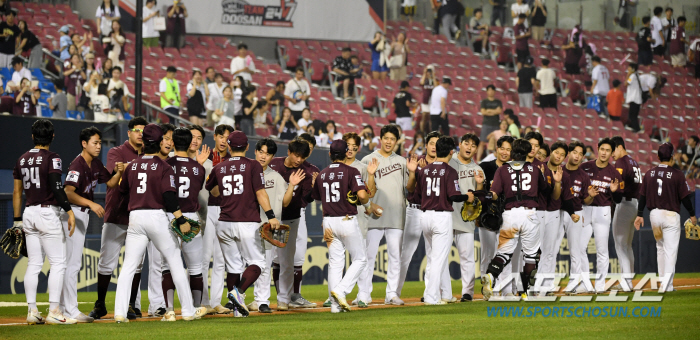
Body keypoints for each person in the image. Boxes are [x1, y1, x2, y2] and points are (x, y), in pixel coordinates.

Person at [113, 124, 201, 323]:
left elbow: (122, 191)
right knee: (175, 262)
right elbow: (169, 197)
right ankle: (187, 311)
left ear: (143, 141)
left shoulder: (132, 165)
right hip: (156, 216)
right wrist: (180, 219)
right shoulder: (164, 167)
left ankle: (119, 313)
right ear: (161, 141)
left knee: (128, 266)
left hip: (136, 216)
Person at [87, 117, 152, 320]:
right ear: (129, 132)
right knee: (106, 262)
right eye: (136, 130)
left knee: (137, 264)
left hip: (137, 215)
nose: (140, 134)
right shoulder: (117, 152)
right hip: (116, 213)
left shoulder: (149, 154)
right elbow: (114, 180)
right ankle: (100, 304)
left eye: (144, 131)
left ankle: (131, 304)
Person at [13, 119, 77, 325]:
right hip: (47, 212)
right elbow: (57, 187)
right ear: (52, 136)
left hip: (28, 212)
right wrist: (69, 211)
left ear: (33, 136)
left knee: (33, 263)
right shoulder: (52, 157)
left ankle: (32, 311)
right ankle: (54, 311)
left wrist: (16, 221)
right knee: (58, 263)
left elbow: (17, 191)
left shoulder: (22, 159)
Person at [59, 127, 123, 323]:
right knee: (72, 263)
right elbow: (68, 192)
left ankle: (62, 307)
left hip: (81, 214)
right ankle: (71, 309)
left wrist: (119, 172)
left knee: (70, 263)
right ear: (84, 143)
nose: (98, 146)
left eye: (99, 142)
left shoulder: (95, 163)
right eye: (94, 142)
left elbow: (111, 183)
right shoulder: (77, 164)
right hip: (71, 214)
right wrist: (91, 203)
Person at [405, 136, 472, 305]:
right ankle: (431, 296)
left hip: (425, 215)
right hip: (441, 217)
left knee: (435, 257)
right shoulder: (450, 171)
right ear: (451, 152)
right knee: (438, 259)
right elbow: (454, 196)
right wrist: (468, 196)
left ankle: (446, 294)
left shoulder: (425, 170)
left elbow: (416, 194)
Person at [481, 138, 549, 301]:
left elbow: (495, 193)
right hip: (529, 214)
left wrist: (486, 196)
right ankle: (526, 292)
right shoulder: (534, 169)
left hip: (509, 214)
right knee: (531, 255)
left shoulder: (502, 170)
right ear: (527, 154)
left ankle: (491, 275)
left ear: (512, 153)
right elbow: (545, 189)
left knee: (504, 253)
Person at [311, 140, 370, 313]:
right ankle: (341, 290)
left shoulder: (322, 174)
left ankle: (335, 305)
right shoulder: (352, 171)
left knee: (336, 263)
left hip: (328, 221)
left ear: (330, 154)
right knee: (360, 259)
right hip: (346, 219)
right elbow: (362, 195)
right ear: (346, 153)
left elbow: (317, 198)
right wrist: (366, 200)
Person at [247, 138, 300, 313]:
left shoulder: (276, 177)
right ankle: (249, 298)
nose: (263, 156)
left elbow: (285, 203)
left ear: (272, 157)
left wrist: (291, 185)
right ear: (255, 152)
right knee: (245, 265)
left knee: (265, 263)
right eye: (261, 152)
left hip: (269, 227)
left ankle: (262, 301)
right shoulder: (246, 172)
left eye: (268, 153)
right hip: (247, 224)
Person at [635, 143, 696, 293]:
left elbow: (642, 196)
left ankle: (663, 282)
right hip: (670, 216)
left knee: (660, 248)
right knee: (670, 251)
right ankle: (667, 286)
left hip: (654, 215)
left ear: (657, 156)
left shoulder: (649, 173)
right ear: (673, 156)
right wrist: (692, 214)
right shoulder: (677, 174)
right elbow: (685, 197)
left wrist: (639, 214)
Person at [159, 128, 207, 321]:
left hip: (168, 216)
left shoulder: (164, 165)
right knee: (195, 267)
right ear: (189, 144)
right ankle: (196, 307)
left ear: (172, 143)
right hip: (191, 216)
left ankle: (169, 309)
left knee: (167, 265)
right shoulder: (199, 168)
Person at [356, 125, 407, 306]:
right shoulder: (368, 159)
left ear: (396, 141)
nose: (388, 142)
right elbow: (361, 190)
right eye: (386, 138)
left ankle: (392, 293)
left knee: (395, 256)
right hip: (372, 214)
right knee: (367, 256)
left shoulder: (402, 161)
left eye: (392, 139)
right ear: (380, 138)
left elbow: (409, 188)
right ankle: (364, 294)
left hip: (396, 215)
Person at [268, 140, 316, 310]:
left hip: (289, 220)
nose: (298, 159)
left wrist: (313, 189)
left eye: (302, 157)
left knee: (287, 260)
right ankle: (262, 299)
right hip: (271, 218)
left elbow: (305, 200)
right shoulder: (273, 164)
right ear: (289, 151)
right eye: (296, 155)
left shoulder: (307, 173)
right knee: (268, 259)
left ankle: (284, 299)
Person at [396, 131, 440, 301]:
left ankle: (429, 293)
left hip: (432, 211)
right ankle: (394, 292)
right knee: (405, 254)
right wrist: (413, 172)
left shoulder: (443, 164)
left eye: (437, 143)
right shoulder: (417, 161)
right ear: (426, 145)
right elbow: (411, 188)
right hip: (414, 209)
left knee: (432, 254)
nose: (434, 146)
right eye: (431, 143)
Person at [199, 124, 233, 315]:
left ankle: (216, 301)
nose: (224, 140)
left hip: (225, 210)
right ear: (215, 137)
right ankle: (204, 301)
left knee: (220, 260)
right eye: (221, 136)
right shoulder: (205, 157)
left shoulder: (232, 159)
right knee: (204, 258)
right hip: (206, 209)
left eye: (227, 137)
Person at [580, 138, 622, 293]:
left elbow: (618, 200)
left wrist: (614, 191)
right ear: (598, 148)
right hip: (585, 208)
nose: (604, 153)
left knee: (602, 250)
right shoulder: (585, 167)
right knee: (579, 248)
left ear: (612, 153)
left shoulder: (614, 172)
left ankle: (599, 285)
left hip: (603, 210)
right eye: (602, 149)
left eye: (608, 150)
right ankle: (586, 284)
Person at [448, 134, 485, 302]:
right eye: (466, 143)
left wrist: (479, 184)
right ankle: (437, 290)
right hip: (446, 215)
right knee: (439, 256)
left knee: (467, 257)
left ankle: (467, 293)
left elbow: (480, 196)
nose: (469, 147)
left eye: (473, 145)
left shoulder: (478, 169)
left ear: (476, 149)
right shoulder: (448, 161)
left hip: (465, 218)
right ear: (460, 145)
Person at [538, 141, 578, 293]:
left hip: (554, 214)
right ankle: (531, 284)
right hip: (537, 213)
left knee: (549, 251)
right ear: (551, 152)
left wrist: (572, 212)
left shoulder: (564, 175)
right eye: (556, 152)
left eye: (562, 154)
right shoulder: (538, 168)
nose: (559, 156)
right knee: (534, 251)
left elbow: (565, 199)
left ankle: (546, 285)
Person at [561, 141, 594, 294]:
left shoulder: (584, 176)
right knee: (551, 249)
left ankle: (574, 283)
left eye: (581, 154)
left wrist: (591, 197)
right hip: (558, 212)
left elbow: (586, 200)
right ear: (568, 153)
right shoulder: (559, 170)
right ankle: (544, 282)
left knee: (575, 250)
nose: (578, 156)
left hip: (576, 212)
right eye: (575, 152)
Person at [478, 135, 513, 278]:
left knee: (505, 253)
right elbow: (479, 192)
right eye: (502, 148)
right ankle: (486, 285)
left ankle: (504, 288)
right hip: (487, 216)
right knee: (487, 253)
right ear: (497, 149)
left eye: (508, 149)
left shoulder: (514, 170)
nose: (504, 152)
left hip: (508, 216)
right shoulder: (485, 167)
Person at [610, 136, 642, 290]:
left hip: (624, 204)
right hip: (635, 204)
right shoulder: (634, 162)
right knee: (627, 246)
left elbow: (618, 187)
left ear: (620, 147)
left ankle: (626, 283)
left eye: (612, 150)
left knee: (621, 245)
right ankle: (628, 281)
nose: (612, 155)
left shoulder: (621, 162)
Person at [478, 85, 503, 161]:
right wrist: (494, 111)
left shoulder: (498, 102)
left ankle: (498, 159)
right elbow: (483, 112)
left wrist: (489, 111)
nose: (491, 92)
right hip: (486, 124)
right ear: (487, 91)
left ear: (495, 91)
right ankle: (478, 160)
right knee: (482, 142)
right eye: (489, 90)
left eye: (492, 90)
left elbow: (499, 111)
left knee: (498, 143)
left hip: (496, 124)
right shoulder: (484, 101)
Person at [625, 62, 643, 132]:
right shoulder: (637, 75)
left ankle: (637, 129)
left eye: (629, 67)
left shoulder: (632, 76)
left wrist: (628, 75)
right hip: (637, 99)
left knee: (633, 115)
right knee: (633, 115)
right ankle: (633, 126)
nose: (628, 69)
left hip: (634, 99)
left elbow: (626, 83)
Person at [420, 65, 438, 132]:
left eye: (430, 71)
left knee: (431, 118)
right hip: (425, 100)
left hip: (432, 101)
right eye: (428, 71)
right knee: (424, 117)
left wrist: (433, 76)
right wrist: (424, 73)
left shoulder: (434, 80)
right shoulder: (424, 79)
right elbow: (421, 83)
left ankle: (431, 132)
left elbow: (436, 86)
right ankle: (422, 133)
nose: (429, 73)